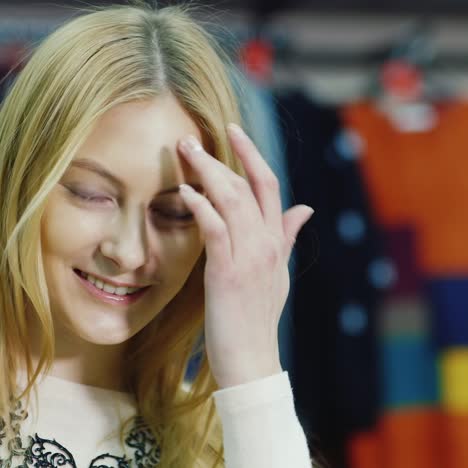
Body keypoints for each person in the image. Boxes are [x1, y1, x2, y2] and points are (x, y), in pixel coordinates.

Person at [0, 1, 314, 467]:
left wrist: (253, 369)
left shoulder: (228, 431)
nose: (128, 253)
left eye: (173, 213)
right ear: (19, 179)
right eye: (92, 195)